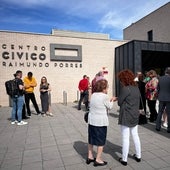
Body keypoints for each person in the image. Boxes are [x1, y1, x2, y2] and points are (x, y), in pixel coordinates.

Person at [87, 79, 117, 167]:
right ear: (104, 88)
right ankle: (98, 159)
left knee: (91, 139)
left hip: (92, 120)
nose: (107, 88)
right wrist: (112, 100)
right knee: (101, 141)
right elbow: (109, 107)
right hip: (100, 122)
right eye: (107, 87)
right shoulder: (105, 96)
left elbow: (90, 105)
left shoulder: (93, 95)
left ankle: (90, 156)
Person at [117, 69, 141, 166]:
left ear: (124, 79)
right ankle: (138, 156)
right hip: (135, 114)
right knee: (135, 135)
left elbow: (119, 103)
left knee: (125, 138)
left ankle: (124, 159)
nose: (120, 81)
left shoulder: (125, 89)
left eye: (121, 79)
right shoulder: (136, 88)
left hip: (126, 115)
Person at [156, 67, 170, 133]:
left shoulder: (160, 78)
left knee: (160, 112)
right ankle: (169, 128)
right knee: (169, 113)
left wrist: (158, 96)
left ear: (165, 72)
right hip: (168, 99)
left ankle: (157, 127)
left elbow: (158, 88)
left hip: (161, 97)